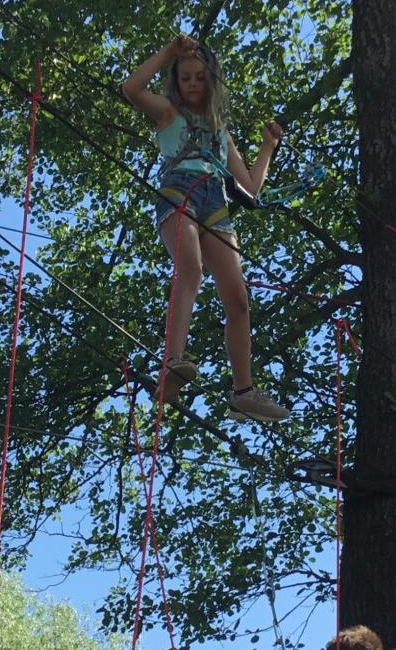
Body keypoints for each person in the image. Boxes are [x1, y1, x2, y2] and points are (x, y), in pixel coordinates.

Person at [121, 35, 289, 423]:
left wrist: (267, 147)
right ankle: (173, 360)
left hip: (217, 204)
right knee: (191, 269)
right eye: (185, 78)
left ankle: (243, 393)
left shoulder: (220, 131)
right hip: (179, 189)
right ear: (175, 84)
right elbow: (131, 89)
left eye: (199, 77)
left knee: (239, 299)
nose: (193, 84)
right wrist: (167, 52)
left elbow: (248, 186)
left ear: (210, 81)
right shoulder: (167, 113)